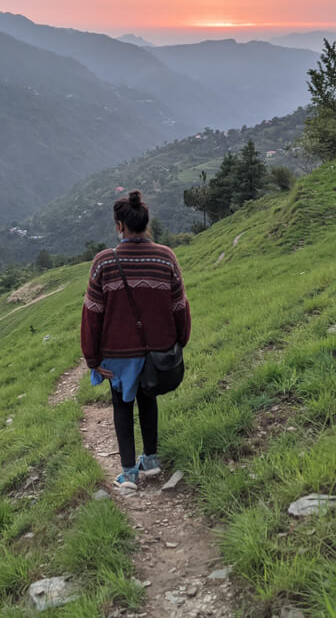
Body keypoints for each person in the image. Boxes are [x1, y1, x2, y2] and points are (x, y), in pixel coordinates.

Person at [81, 190, 191, 489]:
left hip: (117, 354)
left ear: (120, 227)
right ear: (146, 222)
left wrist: (92, 358)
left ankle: (129, 472)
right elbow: (179, 305)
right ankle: (151, 460)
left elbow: (92, 314)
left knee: (121, 406)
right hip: (158, 350)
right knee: (148, 398)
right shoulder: (166, 256)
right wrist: (180, 341)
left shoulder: (104, 262)